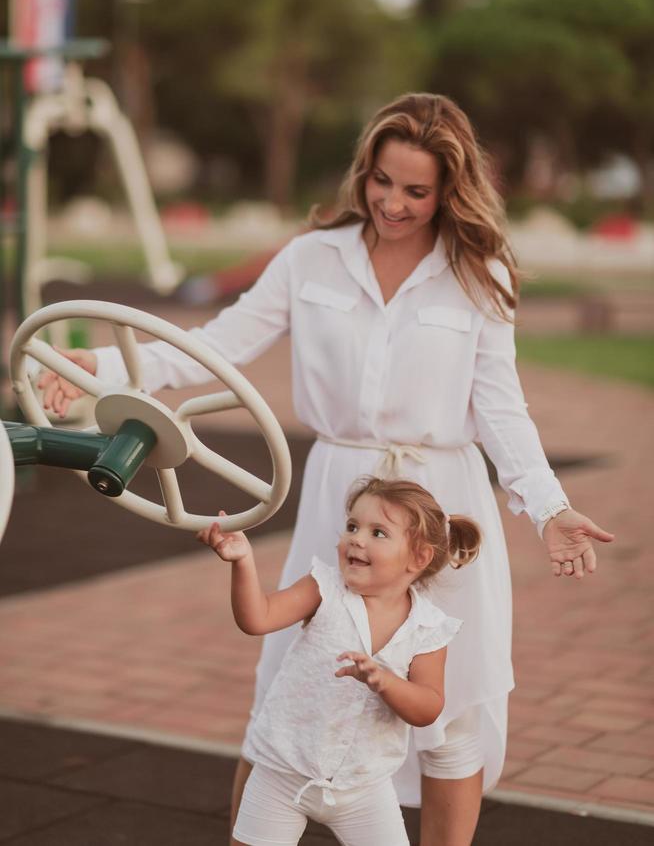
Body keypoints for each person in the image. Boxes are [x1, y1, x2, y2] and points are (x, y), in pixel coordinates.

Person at [39, 93, 614, 846]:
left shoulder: (481, 272)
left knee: (451, 715)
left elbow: (502, 411)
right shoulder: (312, 257)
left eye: (417, 190)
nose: (393, 203)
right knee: (287, 688)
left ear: (451, 190)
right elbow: (219, 343)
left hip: (442, 507)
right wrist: (106, 363)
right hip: (339, 500)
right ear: (363, 171)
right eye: (382, 181)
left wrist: (550, 509)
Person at [197, 477, 480, 846]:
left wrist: (386, 681)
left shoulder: (427, 628)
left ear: (419, 557)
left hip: (364, 787)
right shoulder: (324, 589)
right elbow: (258, 618)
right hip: (283, 772)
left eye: (378, 532)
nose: (357, 538)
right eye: (352, 526)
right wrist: (243, 563)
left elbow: (428, 706)